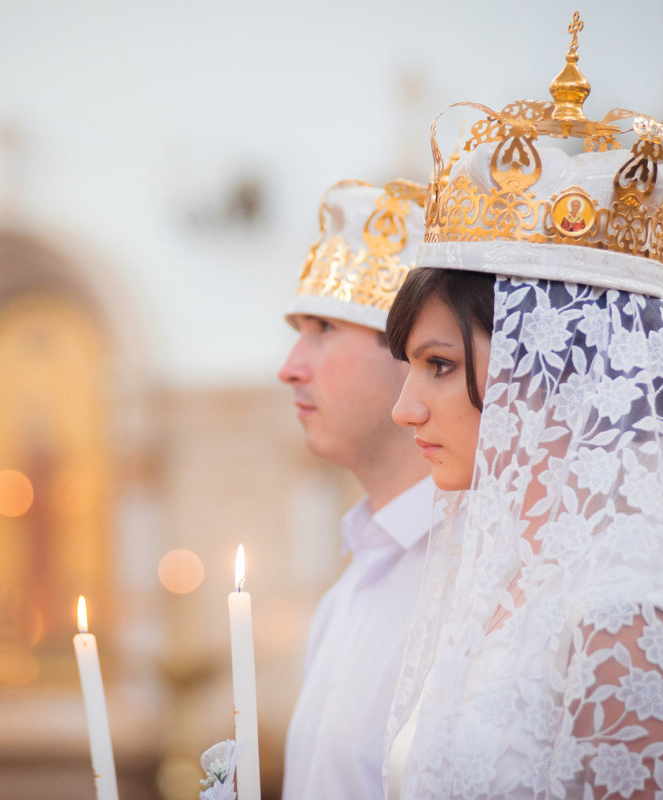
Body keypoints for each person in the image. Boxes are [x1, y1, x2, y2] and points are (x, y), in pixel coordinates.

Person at [381, 18, 663, 799]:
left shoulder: (629, 612)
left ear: (554, 371)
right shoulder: (497, 577)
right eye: (412, 368)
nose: (406, 410)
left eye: (438, 367)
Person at [278, 179, 450, 800]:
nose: (290, 366)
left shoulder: (475, 576)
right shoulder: (347, 588)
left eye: (323, 326)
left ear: (413, 353)